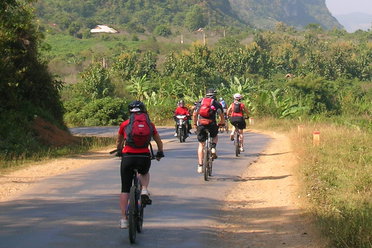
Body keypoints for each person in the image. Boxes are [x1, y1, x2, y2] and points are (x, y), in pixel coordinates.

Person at [116, 100, 164, 229]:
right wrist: (160, 152)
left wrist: (119, 150)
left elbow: (119, 141)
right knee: (144, 172)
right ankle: (144, 189)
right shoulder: (150, 124)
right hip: (143, 156)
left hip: (128, 157)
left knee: (125, 189)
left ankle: (124, 219)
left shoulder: (125, 124)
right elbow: (159, 141)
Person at [193, 88, 225, 173]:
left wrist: (195, 124)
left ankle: (200, 166)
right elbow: (221, 116)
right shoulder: (216, 103)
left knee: (201, 145)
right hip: (211, 124)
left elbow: (194, 114)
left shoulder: (200, 102)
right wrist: (222, 124)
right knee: (215, 136)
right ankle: (213, 147)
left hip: (201, 124)